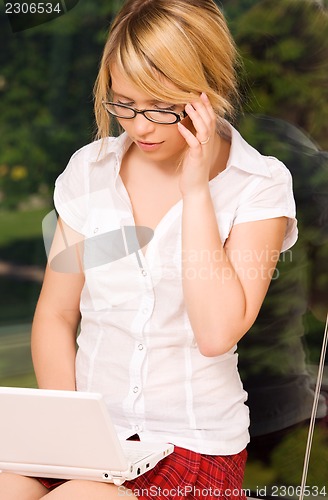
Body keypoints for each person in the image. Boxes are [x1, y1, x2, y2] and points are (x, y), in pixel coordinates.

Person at [0, 0, 298, 498]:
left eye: (160, 106)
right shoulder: (90, 171)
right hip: (92, 436)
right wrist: (72, 437)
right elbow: (54, 315)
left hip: (193, 445)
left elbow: (215, 333)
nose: (139, 127)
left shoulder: (258, 184)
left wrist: (197, 189)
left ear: (207, 90)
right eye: (123, 104)